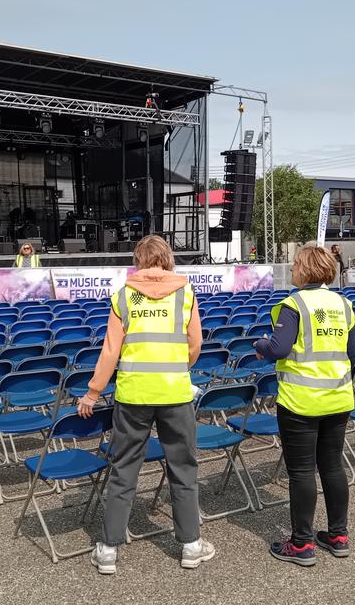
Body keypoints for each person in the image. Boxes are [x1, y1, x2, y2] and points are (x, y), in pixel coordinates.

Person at [78, 234, 214, 575]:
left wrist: (93, 392)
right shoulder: (185, 293)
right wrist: (177, 367)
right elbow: (195, 343)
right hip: (175, 394)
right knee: (183, 469)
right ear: (167, 259)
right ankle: (191, 546)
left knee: (124, 469)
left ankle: (108, 549)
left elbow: (110, 351)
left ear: (138, 260)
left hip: (133, 395)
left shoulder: (124, 296)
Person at [254, 245, 355, 567]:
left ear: (304, 269)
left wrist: (261, 345)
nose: (293, 268)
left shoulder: (293, 304)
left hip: (300, 402)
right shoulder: (344, 304)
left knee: (301, 471)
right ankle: (338, 536)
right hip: (339, 398)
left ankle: (301, 543)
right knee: (332, 467)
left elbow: (279, 347)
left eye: (296, 264)